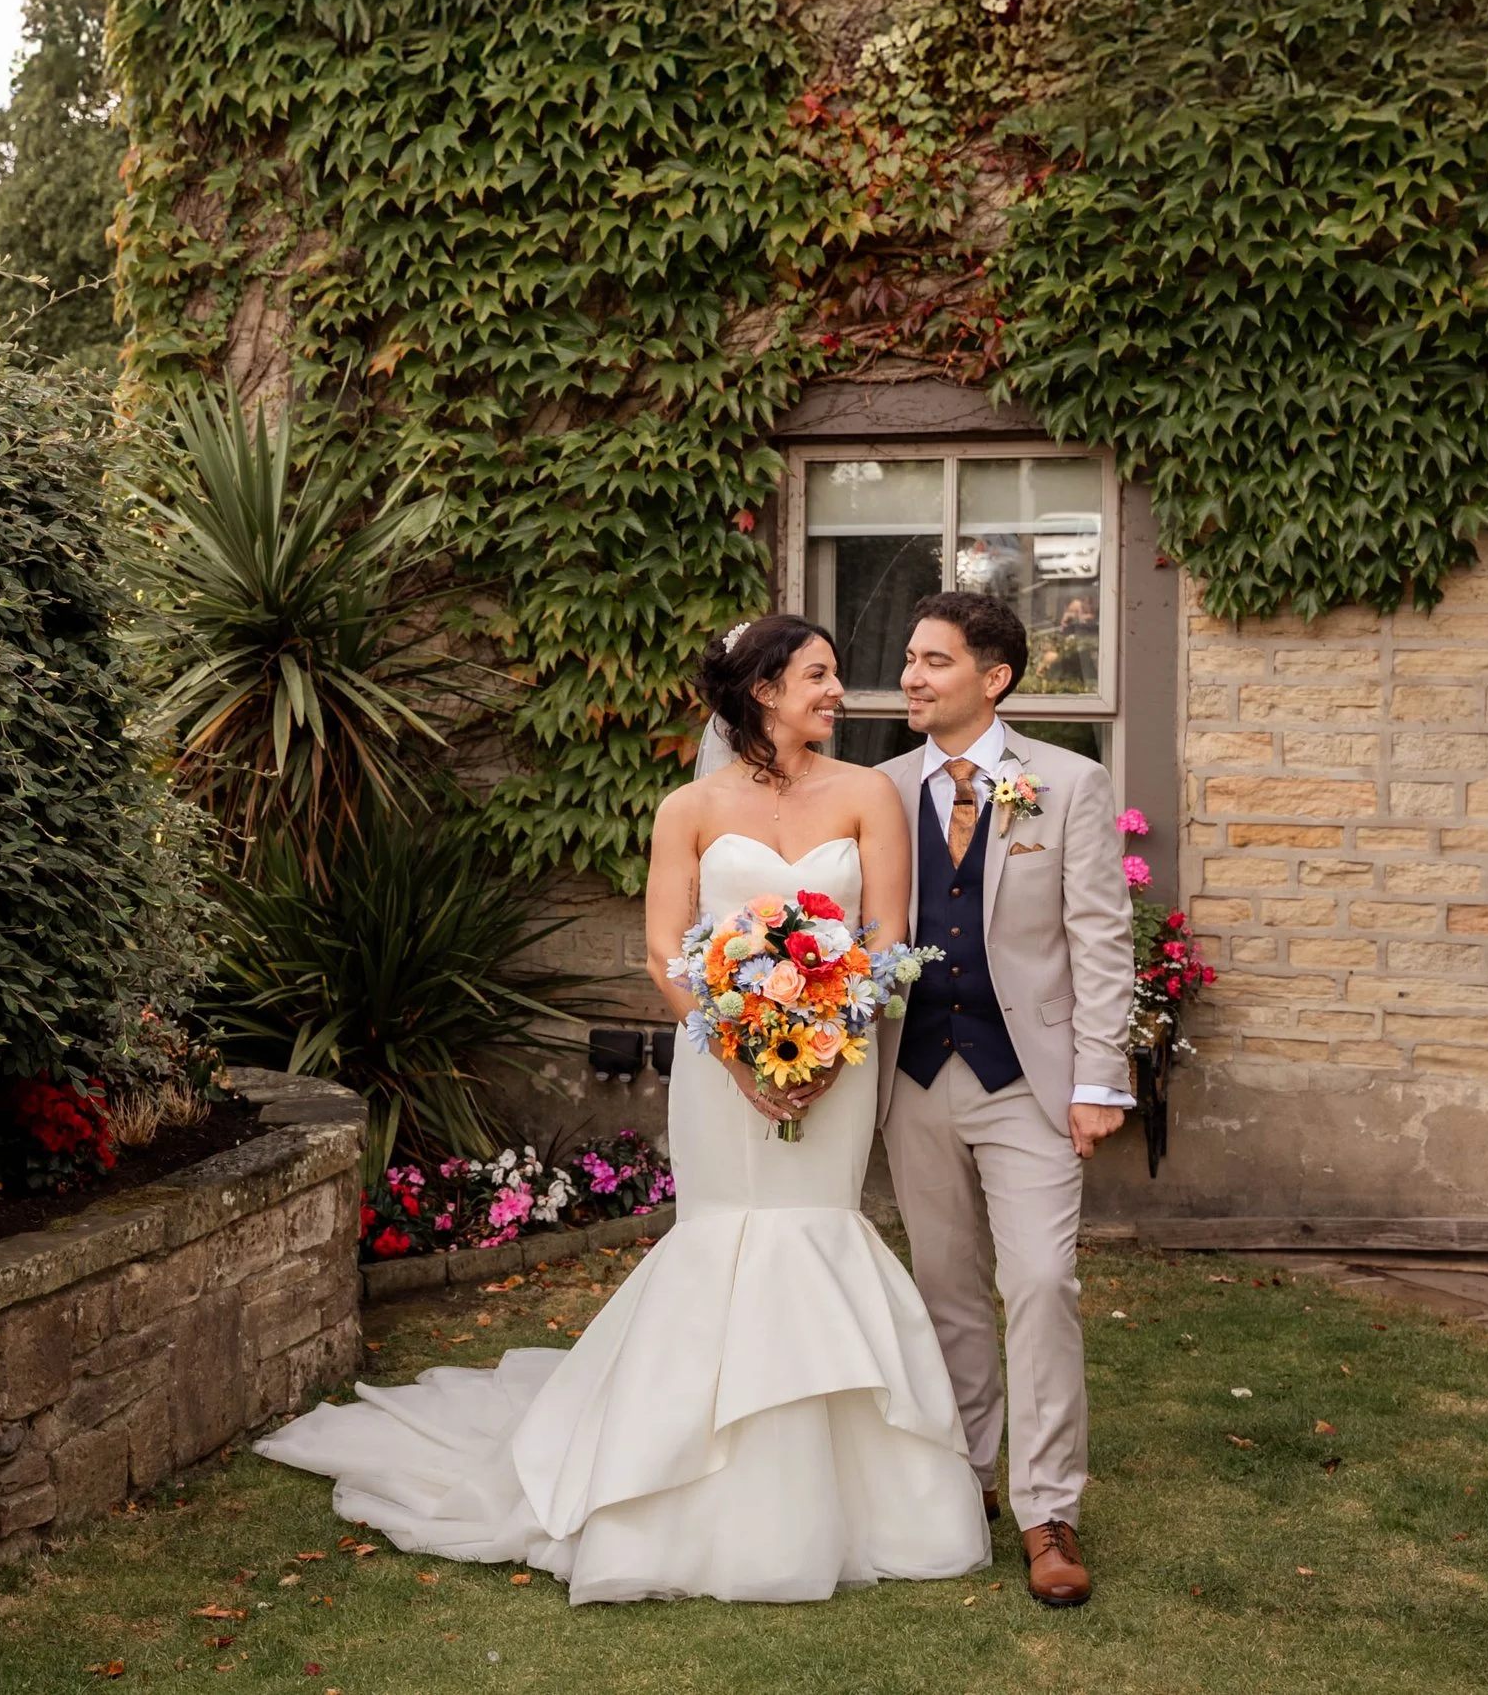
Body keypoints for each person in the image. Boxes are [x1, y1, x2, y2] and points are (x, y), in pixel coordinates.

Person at [254, 613, 989, 1601]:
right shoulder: (687, 805)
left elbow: (887, 934)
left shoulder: (868, 795)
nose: (836, 691)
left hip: (834, 1056)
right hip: (719, 1059)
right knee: (726, 1237)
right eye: (817, 674)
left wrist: (828, 1037)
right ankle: (670, 1487)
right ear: (762, 689)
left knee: (817, 1227)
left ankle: (855, 1495)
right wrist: (737, 1055)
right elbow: (664, 953)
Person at [876, 590, 1136, 1607]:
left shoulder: (1061, 784)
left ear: (993, 678)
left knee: (1038, 1283)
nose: (909, 675)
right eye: (908, 656)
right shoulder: (882, 786)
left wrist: (1097, 1075)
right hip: (913, 1075)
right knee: (943, 1283)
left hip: (1026, 1079)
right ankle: (967, 1475)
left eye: (932, 660)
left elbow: (1098, 936)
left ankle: (1047, 1508)